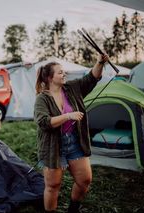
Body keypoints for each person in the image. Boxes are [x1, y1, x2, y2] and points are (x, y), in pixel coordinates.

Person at [34, 54, 109, 213]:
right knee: (53, 186)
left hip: (75, 142)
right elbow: (43, 122)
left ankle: (73, 210)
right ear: (49, 77)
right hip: (53, 146)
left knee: (84, 181)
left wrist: (100, 62)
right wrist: (68, 116)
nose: (64, 74)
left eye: (64, 72)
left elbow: (91, 78)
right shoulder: (42, 98)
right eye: (60, 72)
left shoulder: (72, 88)